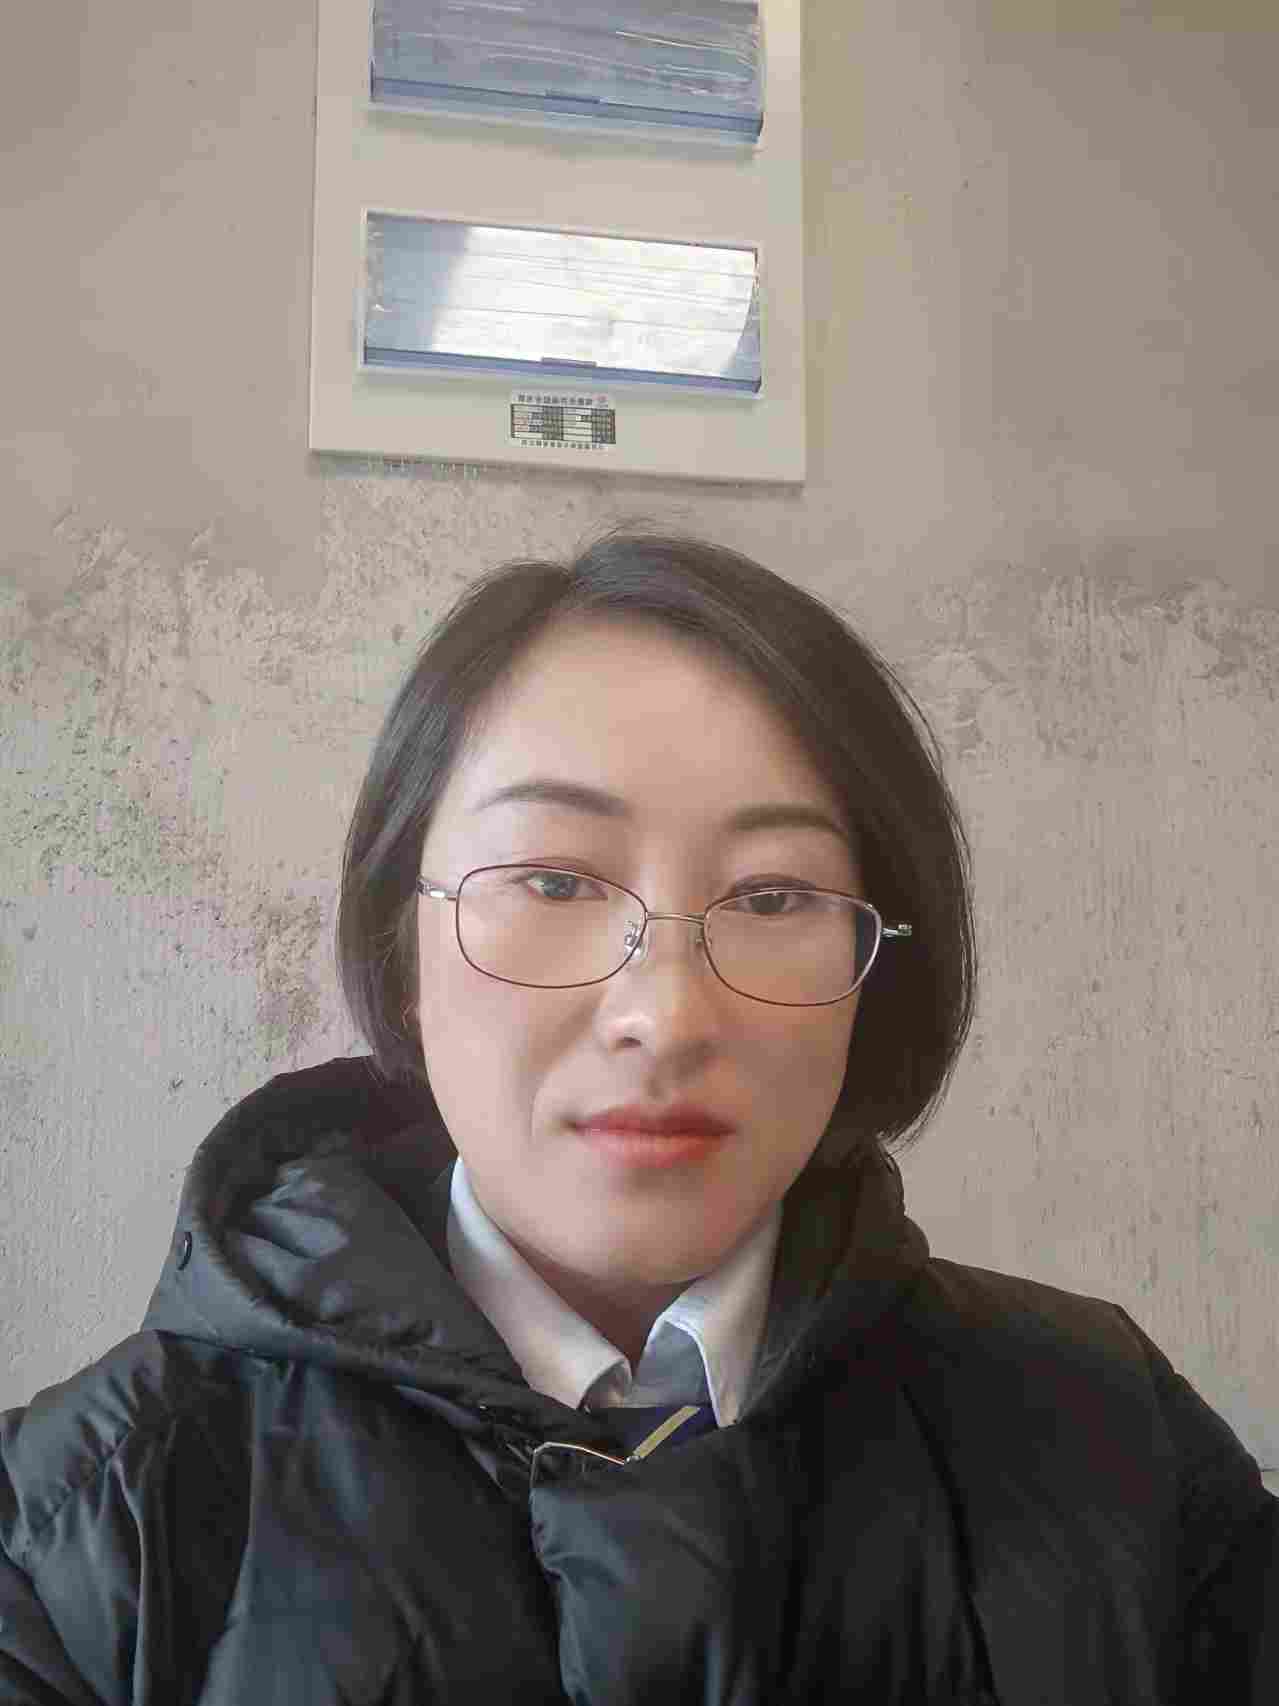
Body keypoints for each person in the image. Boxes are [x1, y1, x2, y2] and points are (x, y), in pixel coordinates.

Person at [1, 526, 1274, 1704]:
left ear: (872, 967)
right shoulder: (72, 1530)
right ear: (402, 942)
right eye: (553, 880)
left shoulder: (1114, 1442)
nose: (663, 1014)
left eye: (771, 896)